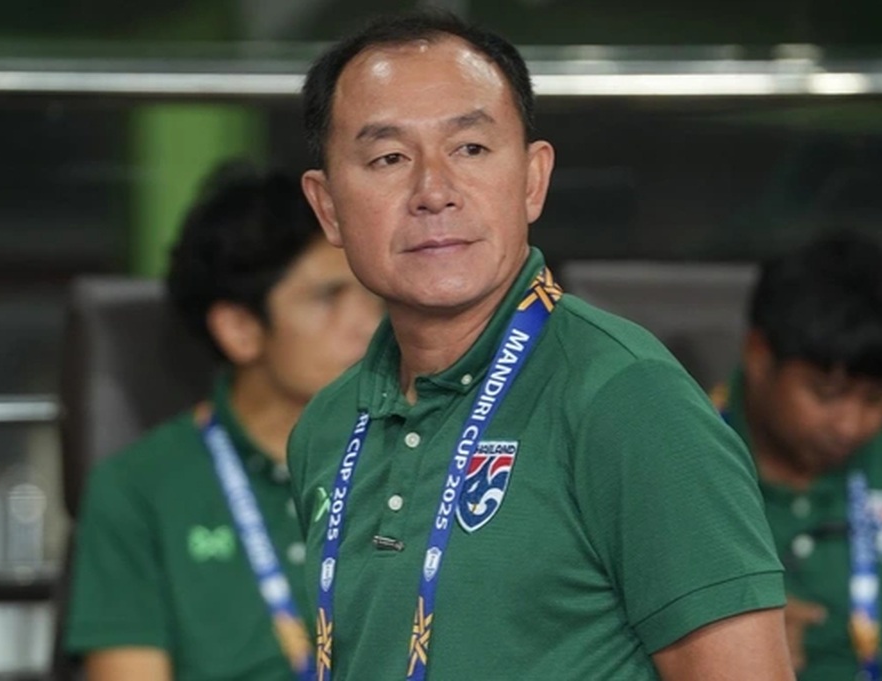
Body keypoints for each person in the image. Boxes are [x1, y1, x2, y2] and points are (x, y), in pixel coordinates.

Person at [289, 10, 794, 680]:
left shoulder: (628, 397)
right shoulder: (327, 425)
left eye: (470, 148)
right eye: (389, 158)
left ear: (533, 179)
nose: (433, 191)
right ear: (327, 207)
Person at [63, 161, 384, 681]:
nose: (370, 324)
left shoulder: (427, 450)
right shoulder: (137, 489)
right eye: (329, 298)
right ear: (240, 329)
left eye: (373, 293)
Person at [715, 231, 882, 681]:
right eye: (827, 393)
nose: (850, 425)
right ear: (759, 355)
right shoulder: (673, 462)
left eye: (875, 397)